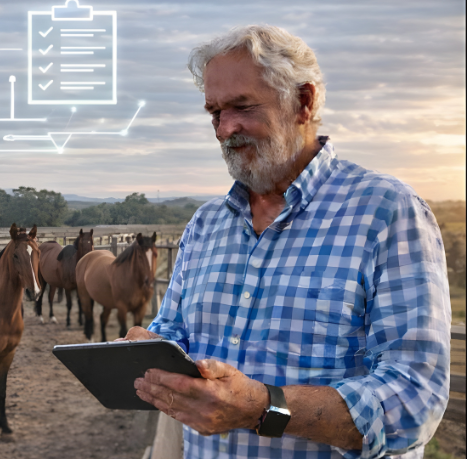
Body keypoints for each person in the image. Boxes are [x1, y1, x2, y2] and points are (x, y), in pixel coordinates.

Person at [124, 25, 451, 458]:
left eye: (241, 107)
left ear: (304, 101)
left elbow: (414, 400)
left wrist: (262, 408)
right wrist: (151, 350)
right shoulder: (205, 225)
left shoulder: (387, 212)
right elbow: (175, 334)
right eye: (214, 113)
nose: (225, 130)